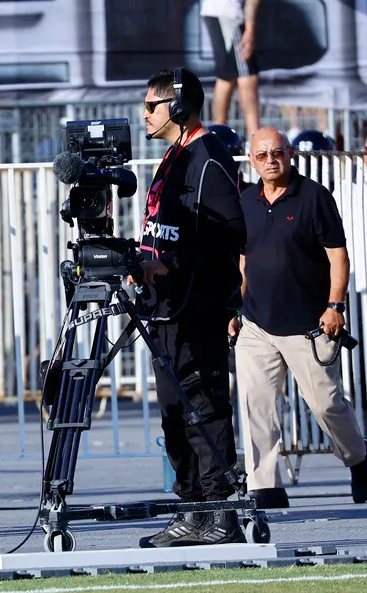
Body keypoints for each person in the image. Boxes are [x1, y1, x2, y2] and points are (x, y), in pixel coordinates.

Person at [132, 68, 247, 547]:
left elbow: (231, 236)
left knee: (204, 409)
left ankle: (219, 512)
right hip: (167, 309)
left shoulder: (208, 158)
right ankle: (192, 508)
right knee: (176, 415)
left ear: (177, 107)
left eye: (152, 106)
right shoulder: (174, 156)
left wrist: (172, 263)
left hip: (195, 308)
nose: (144, 115)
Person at [230, 126, 367, 509]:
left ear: (290, 154)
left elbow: (338, 256)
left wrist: (335, 306)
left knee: (326, 404)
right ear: (252, 161)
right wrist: (235, 311)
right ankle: (266, 487)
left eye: (277, 153)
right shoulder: (246, 201)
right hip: (257, 325)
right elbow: (243, 262)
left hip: (309, 324)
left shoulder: (314, 197)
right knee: (256, 405)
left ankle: (359, 459)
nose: (270, 161)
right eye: (262, 155)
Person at [200, 0, 261, 138]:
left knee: (226, 77)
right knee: (247, 77)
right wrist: (250, 30)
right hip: (229, 14)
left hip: (219, 11)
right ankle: (256, 142)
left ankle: (217, 135)